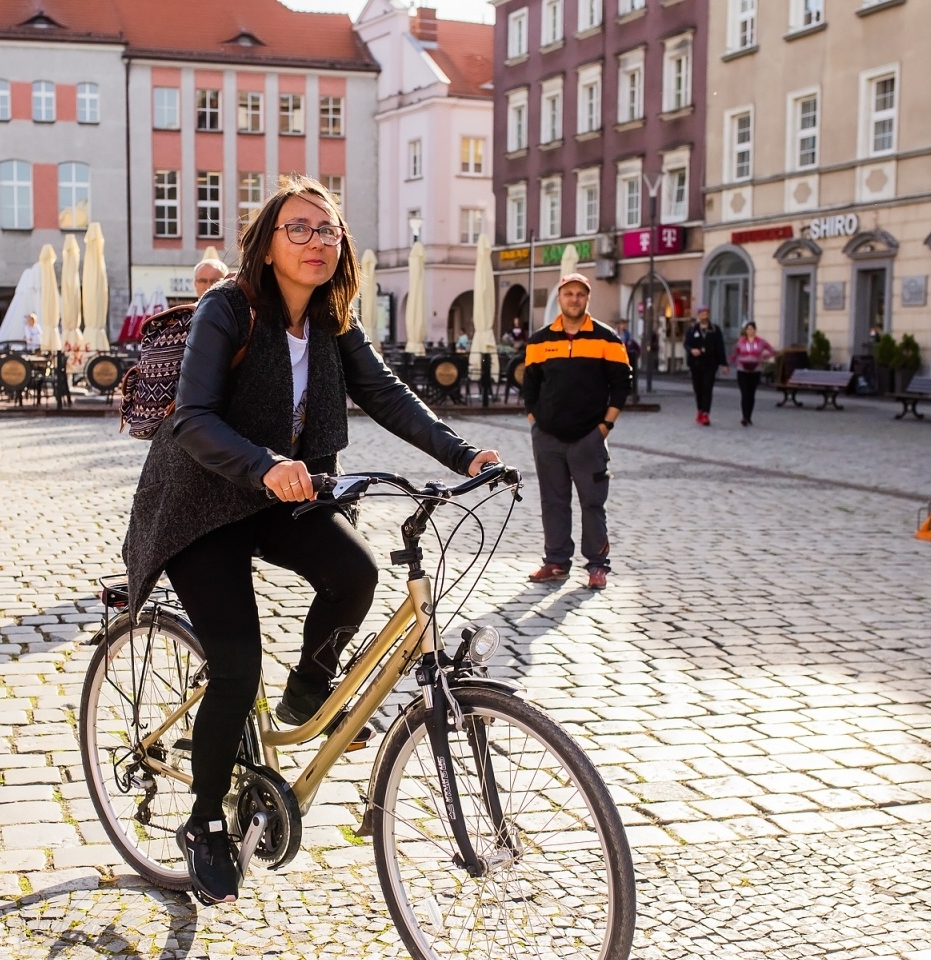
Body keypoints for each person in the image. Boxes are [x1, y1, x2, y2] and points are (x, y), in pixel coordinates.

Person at [122, 176, 501, 906]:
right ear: (266, 246)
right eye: (299, 228)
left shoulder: (333, 321)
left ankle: (305, 696)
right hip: (202, 499)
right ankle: (203, 823)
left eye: (328, 229)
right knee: (235, 662)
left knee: (355, 574)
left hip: (283, 493)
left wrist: (463, 456)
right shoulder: (227, 309)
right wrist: (265, 464)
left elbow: (387, 393)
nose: (318, 241)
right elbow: (193, 417)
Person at [520, 273, 630, 591]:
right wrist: (535, 424)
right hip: (548, 438)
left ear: (587, 299)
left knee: (593, 503)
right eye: (568, 293)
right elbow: (529, 386)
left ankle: (597, 566)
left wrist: (604, 428)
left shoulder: (607, 339)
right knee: (553, 502)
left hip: (589, 438)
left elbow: (622, 385)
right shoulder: (540, 341)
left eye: (580, 294)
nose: (574, 299)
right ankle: (555, 562)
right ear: (560, 298)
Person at [683, 306, 727, 425]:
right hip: (696, 363)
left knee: (707, 388)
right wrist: (691, 350)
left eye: (706, 313)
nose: (704, 315)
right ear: (699, 315)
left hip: (710, 363)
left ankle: (706, 414)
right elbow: (686, 344)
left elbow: (720, 347)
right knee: (698, 388)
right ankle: (700, 410)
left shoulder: (715, 329)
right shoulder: (692, 329)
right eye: (702, 313)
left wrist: (724, 363)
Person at [731, 321, 775, 427]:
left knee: (751, 394)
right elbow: (735, 354)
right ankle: (744, 417)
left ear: (755, 330)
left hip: (755, 370)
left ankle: (749, 416)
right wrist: (728, 363)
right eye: (748, 329)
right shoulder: (741, 342)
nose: (750, 331)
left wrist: (763, 358)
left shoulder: (761, 342)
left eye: (751, 329)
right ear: (745, 331)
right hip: (742, 370)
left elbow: (772, 351)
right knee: (744, 393)